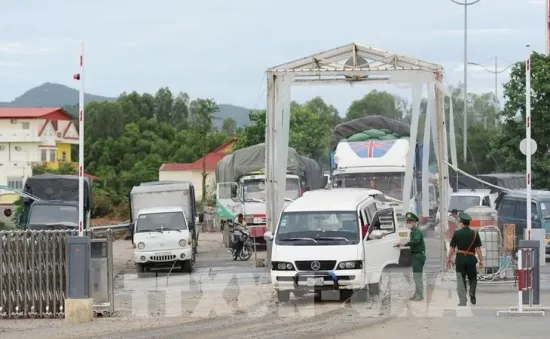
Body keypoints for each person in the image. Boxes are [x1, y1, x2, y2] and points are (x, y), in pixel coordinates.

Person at [446, 212, 483, 306]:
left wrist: (448, 258)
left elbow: (452, 248)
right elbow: (478, 248)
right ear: (468, 223)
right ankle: (472, 292)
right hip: (471, 259)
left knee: (460, 280)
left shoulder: (457, 233)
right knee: (473, 278)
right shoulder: (475, 233)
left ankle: (463, 301)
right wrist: (481, 260)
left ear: (461, 223)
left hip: (460, 259)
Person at [396, 212, 425, 301]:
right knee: (416, 276)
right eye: (407, 222)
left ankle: (419, 295)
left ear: (414, 222)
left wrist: (405, 244)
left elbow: (416, 241)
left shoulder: (417, 232)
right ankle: (417, 294)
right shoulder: (413, 232)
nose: (407, 223)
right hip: (415, 255)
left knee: (417, 276)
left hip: (418, 256)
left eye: (409, 222)